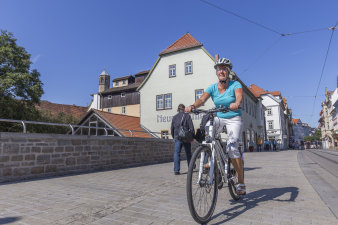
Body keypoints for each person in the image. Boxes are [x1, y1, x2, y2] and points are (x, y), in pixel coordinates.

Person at [185, 57, 246, 195]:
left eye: (224, 68)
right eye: (219, 69)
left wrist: (236, 103)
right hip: (219, 117)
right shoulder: (212, 88)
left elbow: (239, 96)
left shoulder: (235, 85)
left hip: (233, 117)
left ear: (228, 71)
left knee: (232, 147)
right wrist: (193, 106)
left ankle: (241, 182)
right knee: (208, 129)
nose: (221, 71)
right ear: (217, 72)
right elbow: (202, 99)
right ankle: (213, 159)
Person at [171, 104, 194, 175]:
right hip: (186, 138)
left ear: (178, 109)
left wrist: (174, 137)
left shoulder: (174, 117)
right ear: (184, 109)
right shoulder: (187, 116)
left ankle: (176, 170)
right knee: (188, 153)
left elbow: (172, 129)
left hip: (177, 137)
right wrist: (192, 137)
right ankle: (190, 168)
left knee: (177, 153)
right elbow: (192, 128)